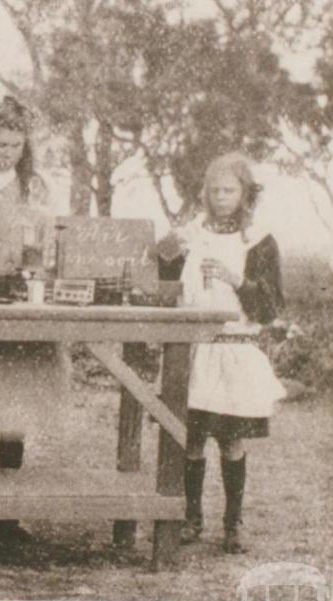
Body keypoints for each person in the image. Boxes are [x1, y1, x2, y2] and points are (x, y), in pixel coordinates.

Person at [158, 152, 285, 554]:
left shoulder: (259, 241)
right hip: (197, 352)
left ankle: (233, 525)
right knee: (191, 440)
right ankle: (191, 519)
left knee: (231, 442)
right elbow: (164, 281)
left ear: (245, 193)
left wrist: (236, 279)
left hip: (236, 351)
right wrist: (166, 251)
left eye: (229, 190)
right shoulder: (194, 233)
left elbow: (271, 306)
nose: (221, 197)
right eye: (214, 190)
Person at [0, 96, 67, 541]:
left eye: (14, 145)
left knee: (13, 403)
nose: (5, 152)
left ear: (24, 145)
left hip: (18, 297)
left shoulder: (36, 187)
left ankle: (7, 515)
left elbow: (48, 239)